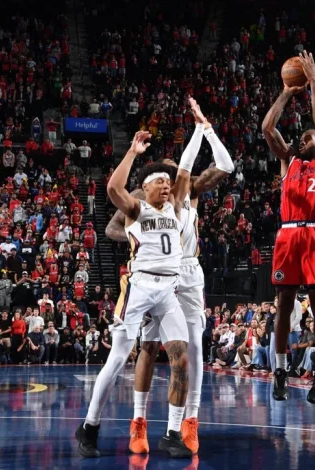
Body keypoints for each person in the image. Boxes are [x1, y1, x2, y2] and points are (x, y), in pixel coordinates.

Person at [107, 99, 232, 455]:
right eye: (167, 175)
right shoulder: (146, 199)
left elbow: (223, 164)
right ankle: (139, 420)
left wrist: (203, 128)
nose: (173, 179)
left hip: (188, 273)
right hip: (154, 275)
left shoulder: (189, 193)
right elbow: (114, 227)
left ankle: (189, 422)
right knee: (147, 347)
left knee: (193, 350)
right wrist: (141, 242)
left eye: (175, 175)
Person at [75, 126, 198, 459]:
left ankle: (172, 433)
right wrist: (132, 151)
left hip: (168, 290)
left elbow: (185, 171)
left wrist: (200, 128)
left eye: (167, 182)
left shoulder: (175, 209)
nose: (166, 184)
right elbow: (114, 187)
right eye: (159, 180)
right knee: (117, 360)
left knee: (180, 358)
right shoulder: (136, 210)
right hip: (140, 286)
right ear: (144, 188)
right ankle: (89, 426)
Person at [262, 51, 315, 404]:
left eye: (309, 138)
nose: (304, 140)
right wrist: (285, 91)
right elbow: (267, 128)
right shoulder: (288, 161)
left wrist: (314, 83)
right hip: (289, 233)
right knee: (283, 303)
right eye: (304, 138)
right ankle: (280, 369)